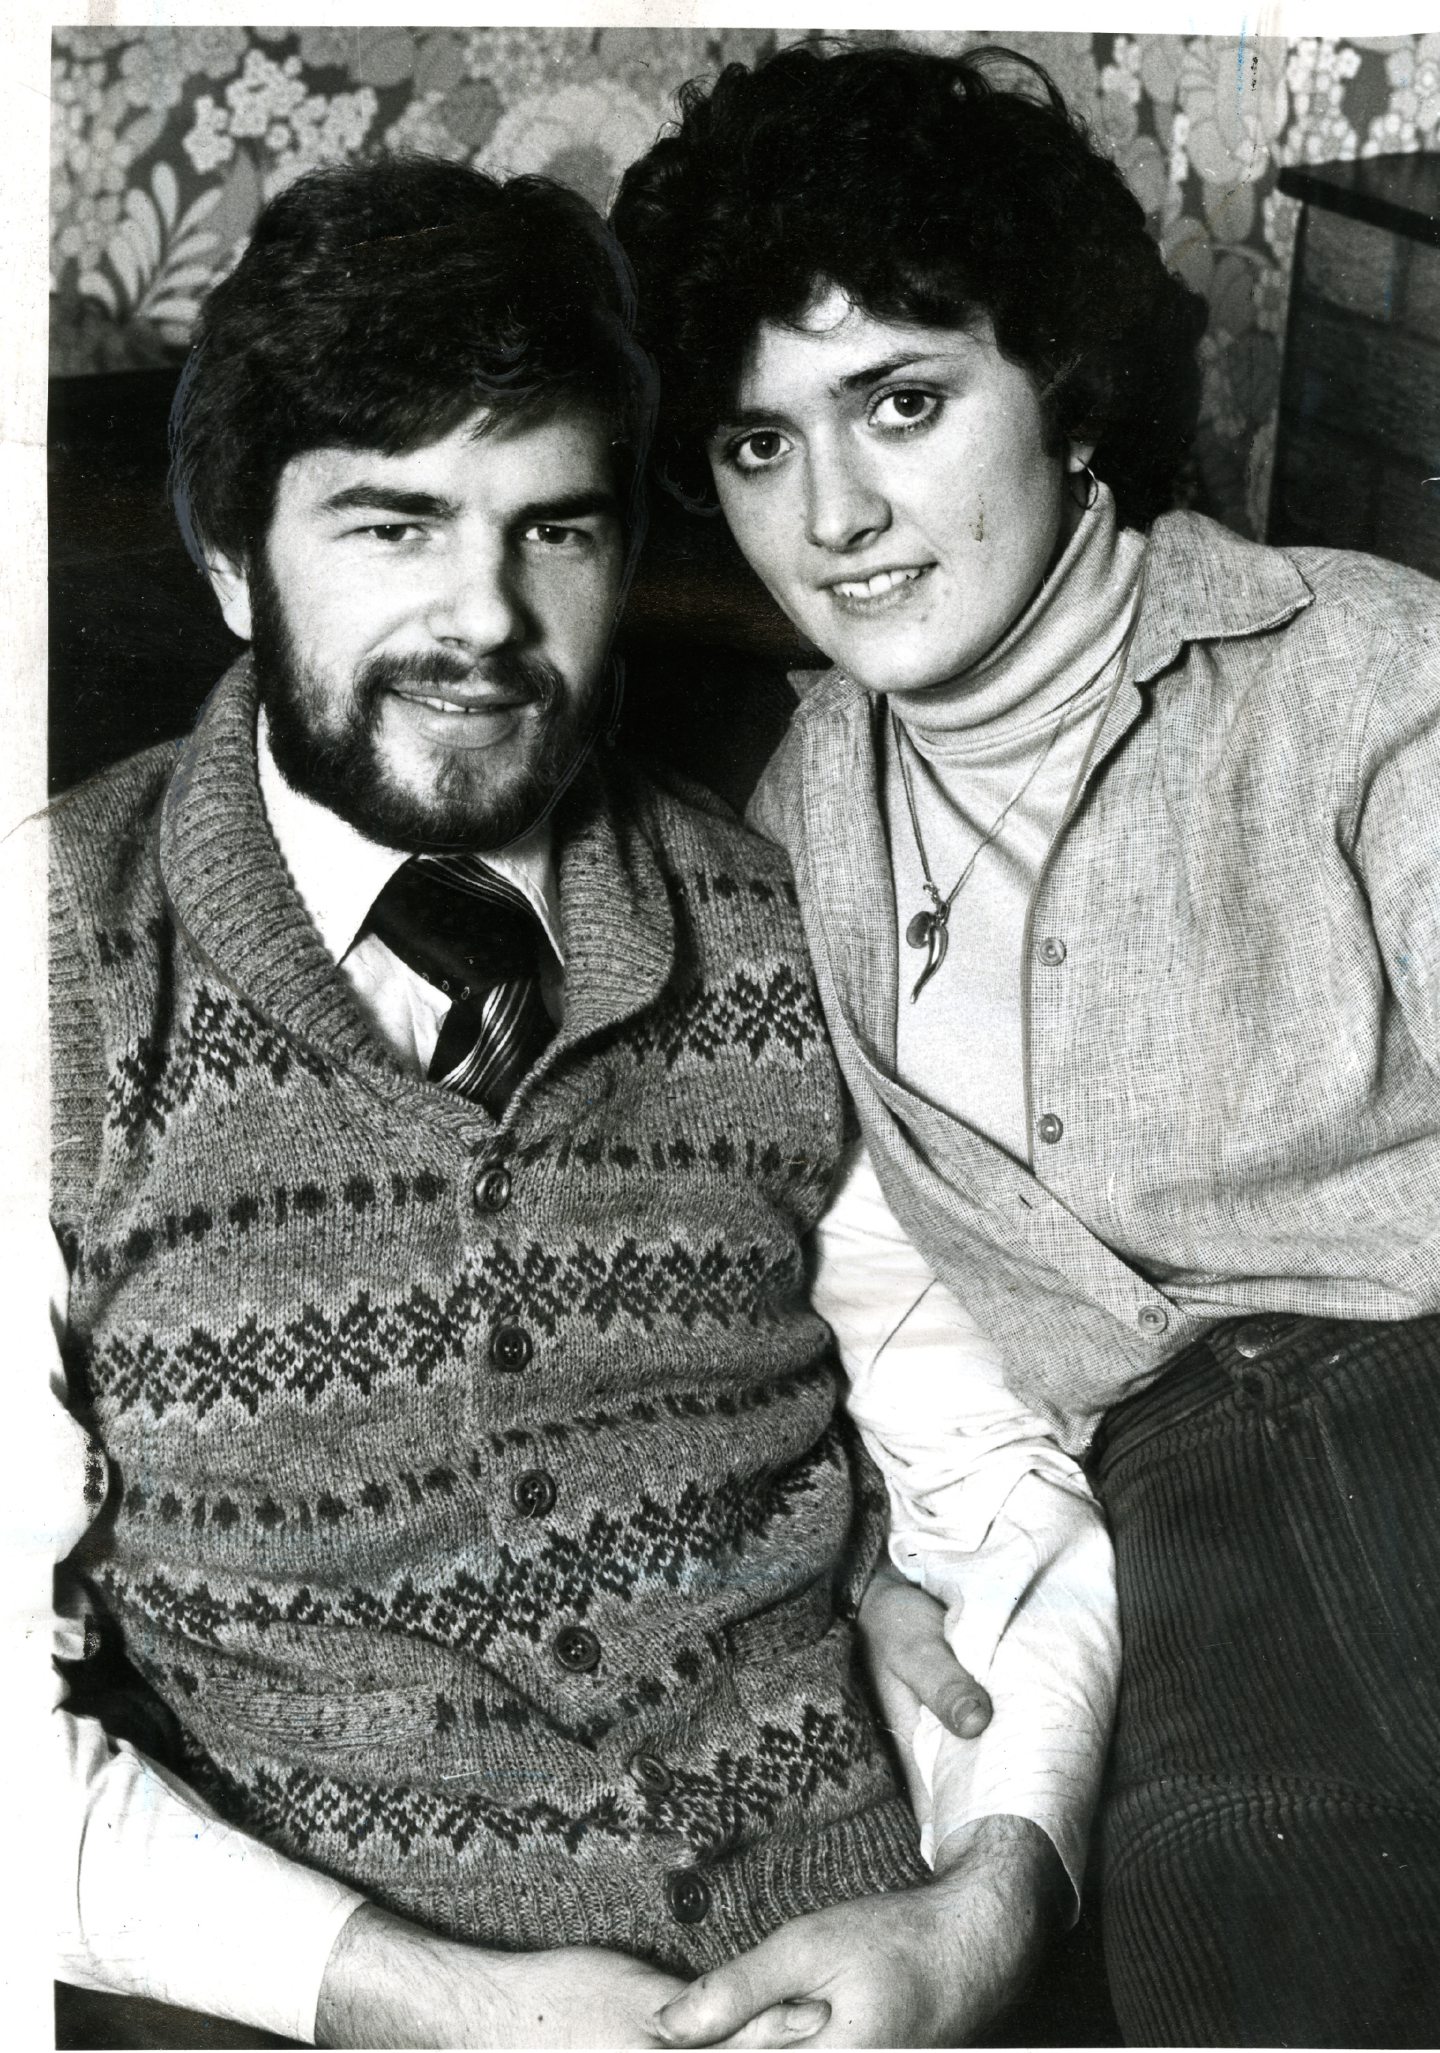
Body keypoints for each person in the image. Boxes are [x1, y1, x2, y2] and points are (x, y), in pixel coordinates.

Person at [44, 150, 1095, 2051]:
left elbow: (989, 1484)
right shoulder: (51, 959)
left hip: (852, 1954)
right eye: (390, 525)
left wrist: (986, 1903)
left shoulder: (782, 912)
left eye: (554, 529)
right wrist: (427, 1999)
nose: (486, 619)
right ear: (227, 567)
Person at [613, 39, 1440, 2049]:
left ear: (1063, 394)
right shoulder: (796, 818)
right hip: (1195, 1542)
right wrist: (878, 1552)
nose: (833, 513)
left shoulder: (1361, 680)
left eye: (902, 403)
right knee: (1227, 1971)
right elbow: (853, 1273)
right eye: (754, 442)